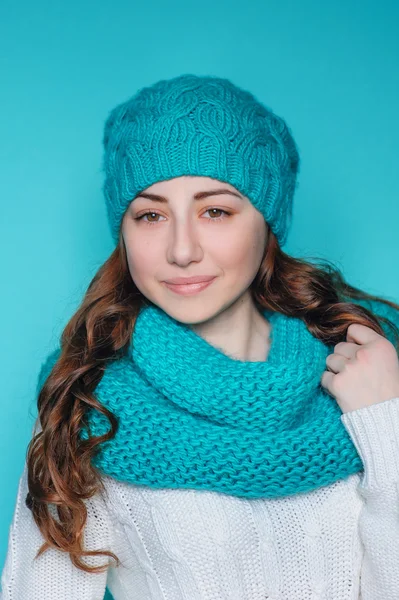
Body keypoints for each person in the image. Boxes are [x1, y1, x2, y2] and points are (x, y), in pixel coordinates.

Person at [1, 73, 399, 600]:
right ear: (123, 232)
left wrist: (384, 420)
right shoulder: (87, 400)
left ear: (267, 223)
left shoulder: (373, 372)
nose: (181, 249)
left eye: (215, 210)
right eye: (150, 215)